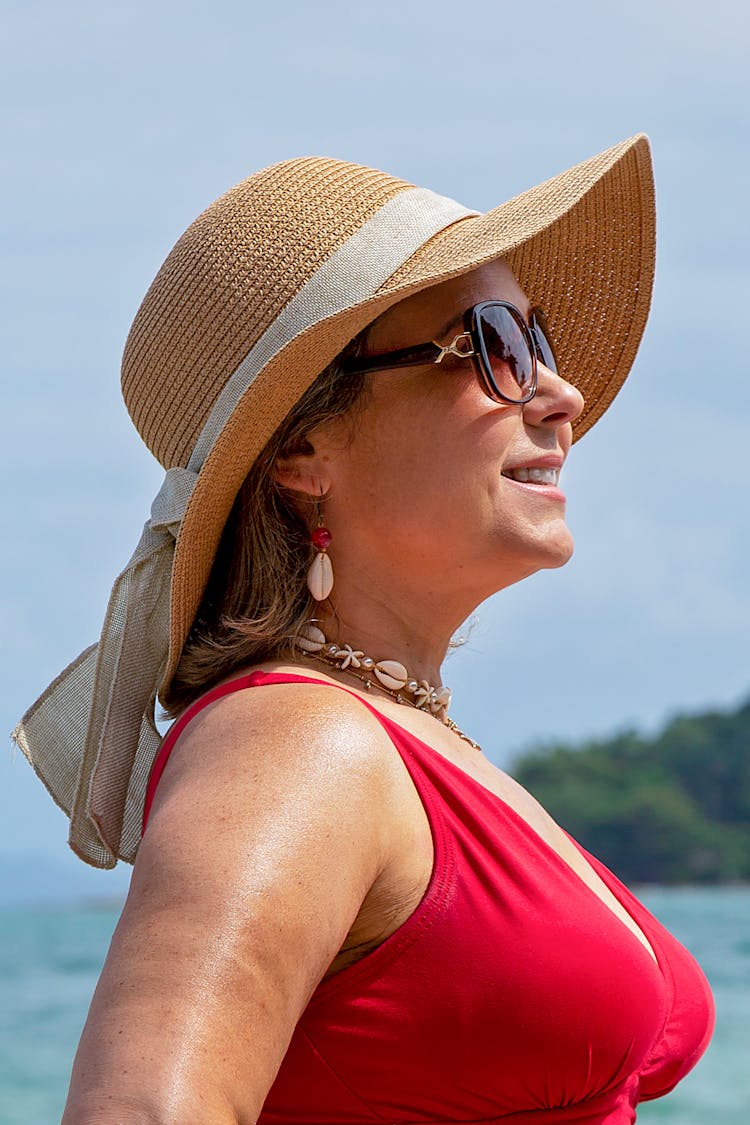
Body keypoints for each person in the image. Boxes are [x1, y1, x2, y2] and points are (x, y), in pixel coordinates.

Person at [15, 135, 714, 1124]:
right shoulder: (297, 743)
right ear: (304, 446)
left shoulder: (392, 734)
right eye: (492, 346)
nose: (563, 394)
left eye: (541, 343)